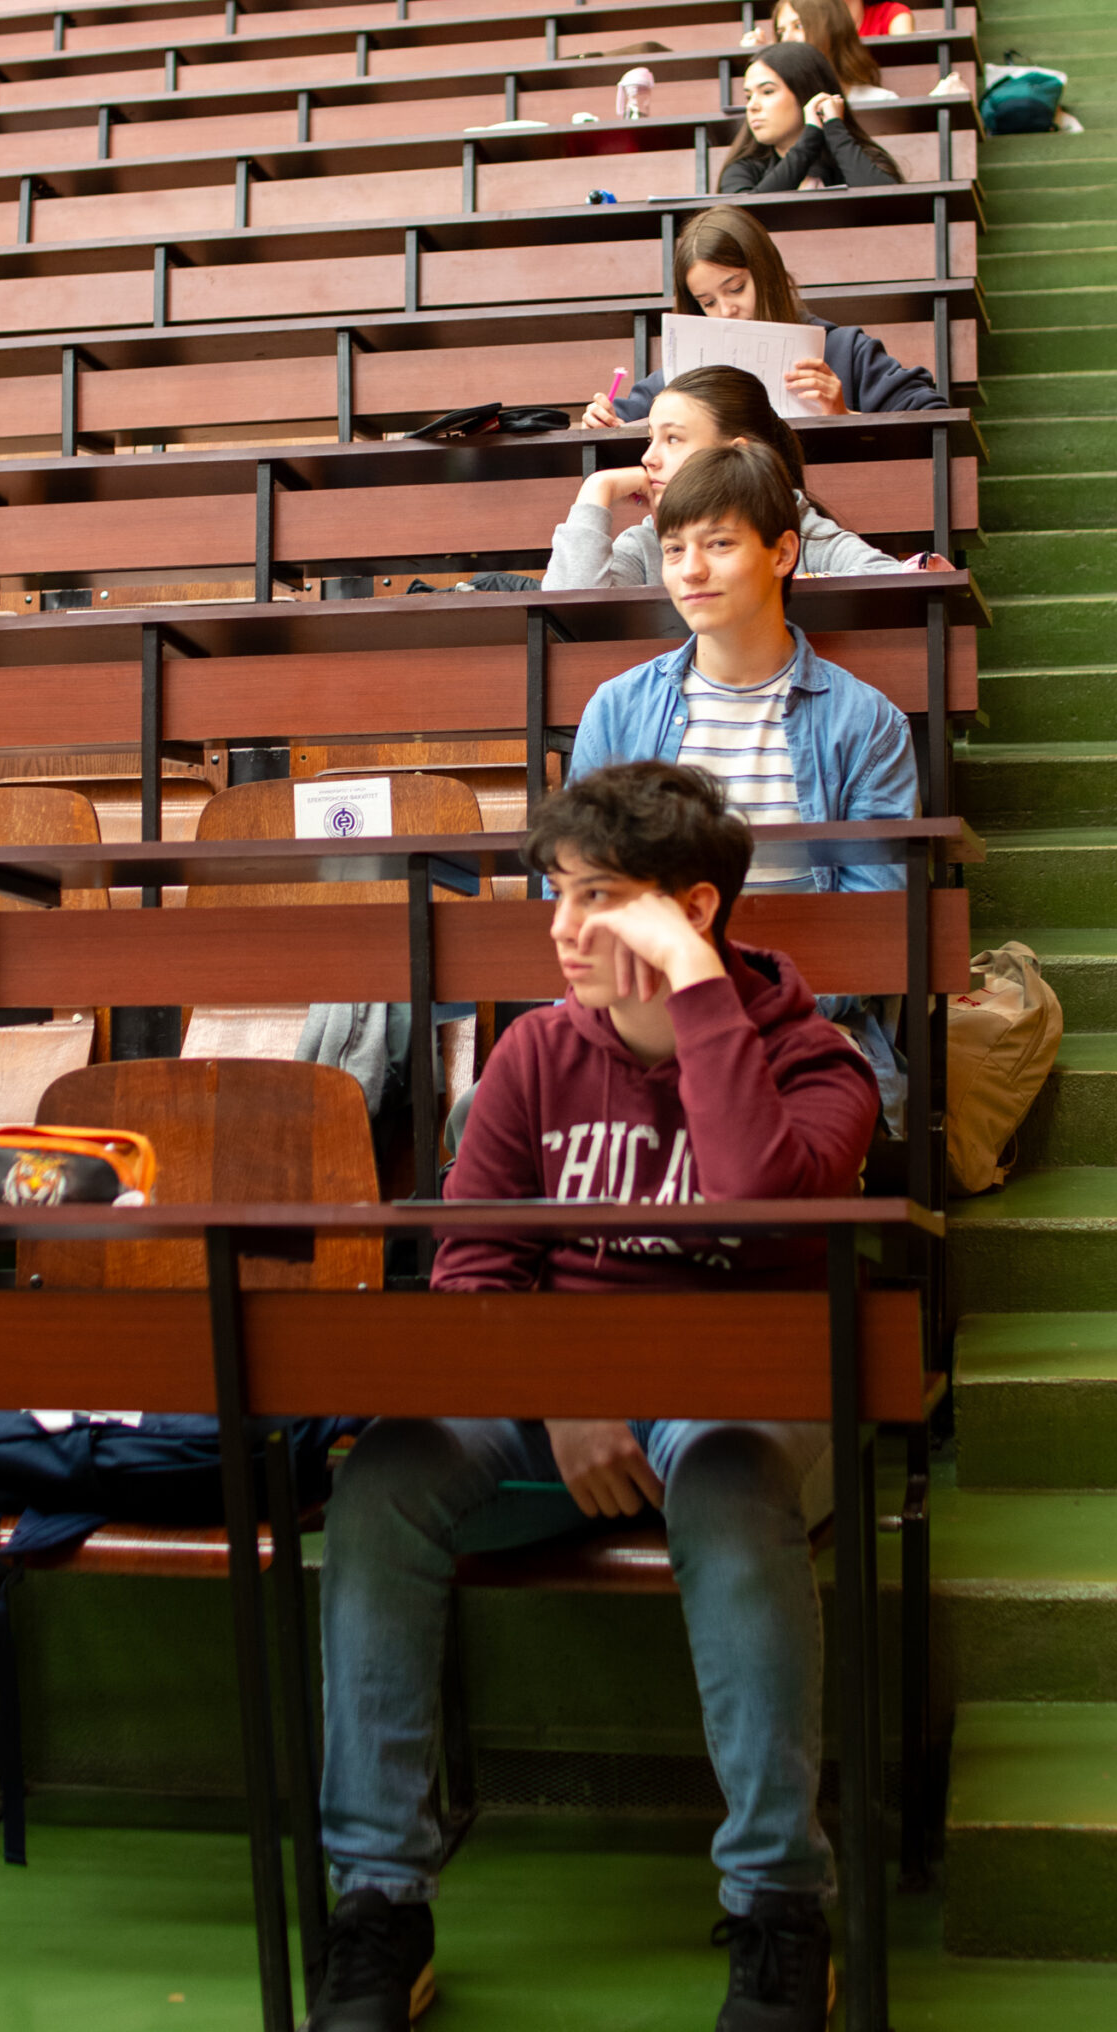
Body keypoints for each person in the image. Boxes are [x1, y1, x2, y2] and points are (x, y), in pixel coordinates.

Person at [309, 755, 878, 2032]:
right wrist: (565, 1394)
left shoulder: (819, 1065)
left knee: (728, 1478)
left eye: (599, 897)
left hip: (738, 1391)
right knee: (384, 1476)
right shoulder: (531, 1055)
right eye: (555, 893)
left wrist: (695, 992)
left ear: (694, 909)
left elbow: (758, 1201)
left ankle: (781, 1905)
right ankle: (380, 1901)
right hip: (557, 1386)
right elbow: (473, 1270)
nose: (561, 929)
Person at [570, 442, 919, 1122]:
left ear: (783, 552)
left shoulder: (865, 723)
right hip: (640, 1020)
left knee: (739, 1120)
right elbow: (578, 894)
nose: (691, 570)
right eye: (674, 550)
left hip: (798, 1024)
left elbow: (872, 930)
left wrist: (726, 1016)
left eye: (719, 544)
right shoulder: (616, 708)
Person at [547, 359, 907, 591]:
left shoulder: (799, 531)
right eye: (650, 438)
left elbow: (895, 584)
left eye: (673, 439)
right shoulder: (647, 541)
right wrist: (596, 489)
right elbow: (571, 607)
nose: (648, 458)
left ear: (738, 451)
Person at [581, 206, 943, 434]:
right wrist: (602, 421)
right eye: (708, 302)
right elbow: (619, 424)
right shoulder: (684, 374)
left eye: (736, 288)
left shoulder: (845, 351)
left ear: (766, 274)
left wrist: (845, 416)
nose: (726, 310)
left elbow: (933, 421)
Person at [718, 43, 901, 194]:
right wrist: (809, 139)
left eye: (767, 92)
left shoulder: (859, 157)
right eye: (748, 96)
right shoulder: (743, 169)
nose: (752, 106)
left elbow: (890, 204)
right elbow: (744, 216)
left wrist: (834, 128)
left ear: (806, 93)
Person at [757, 0, 899, 103]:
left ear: (831, 31)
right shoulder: (780, 108)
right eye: (781, 32)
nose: (786, 39)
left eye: (798, 26)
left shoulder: (880, 100)